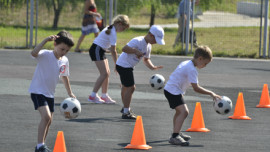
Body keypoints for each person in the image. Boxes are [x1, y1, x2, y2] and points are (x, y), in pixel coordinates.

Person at [29, 30, 76, 152]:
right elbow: (33, 53)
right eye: (62, 49)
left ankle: (41, 145)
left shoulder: (64, 60)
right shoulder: (45, 54)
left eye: (67, 50)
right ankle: (40, 146)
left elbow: (65, 76)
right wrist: (45, 40)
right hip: (37, 91)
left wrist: (70, 93)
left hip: (50, 94)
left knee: (49, 121)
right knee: (46, 116)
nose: (64, 52)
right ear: (55, 44)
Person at [164, 45, 221, 146]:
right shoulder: (192, 69)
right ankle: (175, 136)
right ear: (200, 59)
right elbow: (196, 88)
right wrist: (211, 93)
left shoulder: (186, 62)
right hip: (173, 91)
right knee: (184, 111)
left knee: (179, 112)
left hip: (171, 89)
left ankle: (176, 132)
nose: (205, 66)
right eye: (205, 63)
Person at [116, 25, 165, 119]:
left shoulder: (148, 46)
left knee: (126, 87)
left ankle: (125, 108)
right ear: (150, 35)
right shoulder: (138, 40)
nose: (156, 43)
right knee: (131, 88)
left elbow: (146, 59)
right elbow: (124, 49)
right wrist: (135, 51)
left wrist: (152, 67)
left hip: (127, 66)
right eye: (155, 40)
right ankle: (126, 112)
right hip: (123, 65)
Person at [88, 14, 130, 104]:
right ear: (119, 23)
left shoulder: (111, 29)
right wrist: (117, 64)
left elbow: (109, 47)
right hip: (96, 50)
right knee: (104, 74)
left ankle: (104, 95)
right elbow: (113, 51)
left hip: (100, 50)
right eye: (123, 28)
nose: (123, 30)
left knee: (107, 73)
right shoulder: (112, 32)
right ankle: (93, 96)